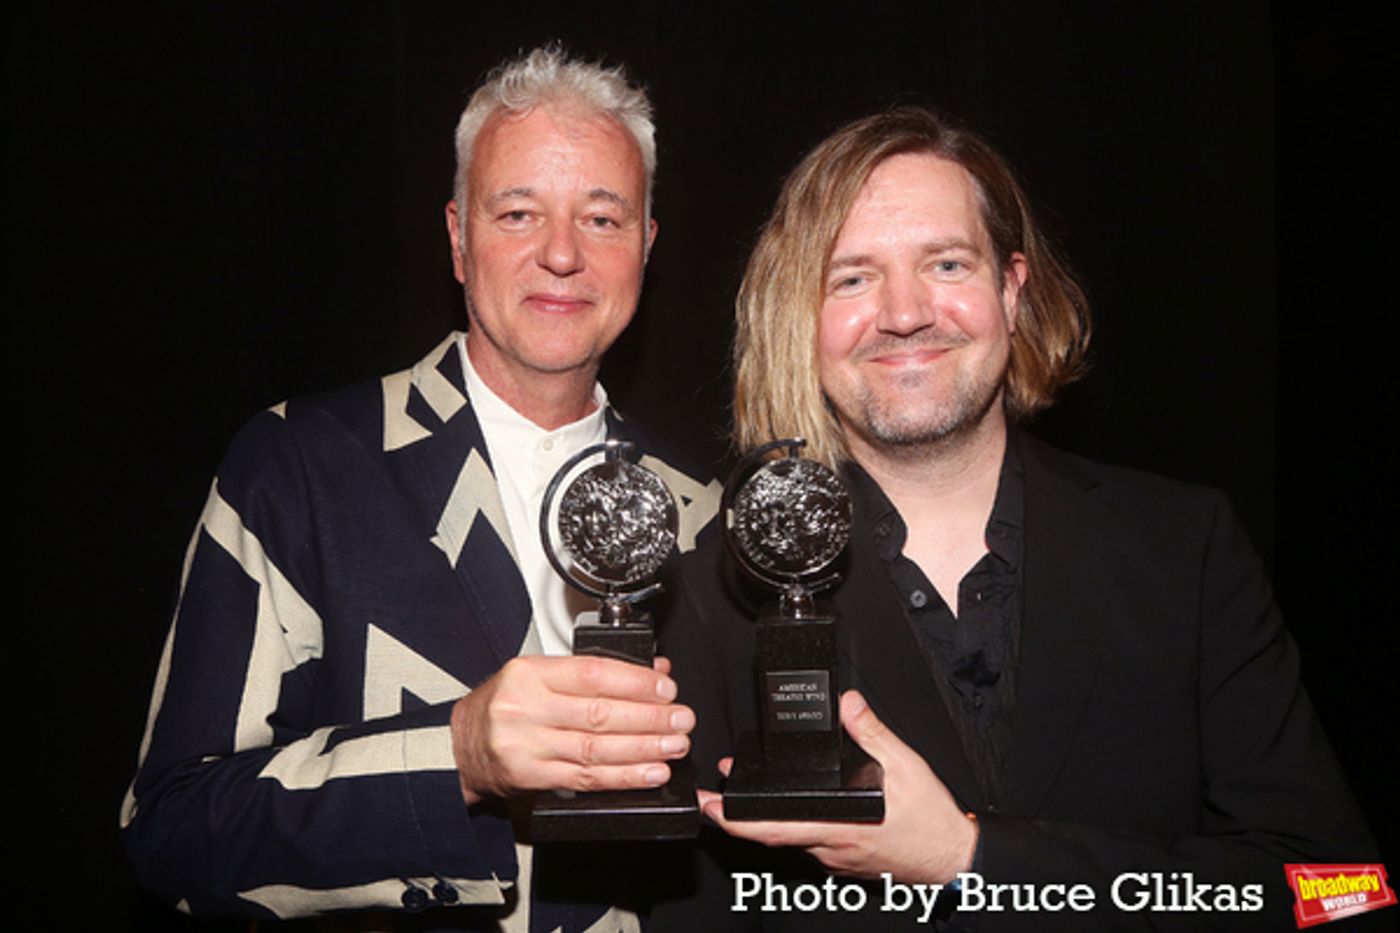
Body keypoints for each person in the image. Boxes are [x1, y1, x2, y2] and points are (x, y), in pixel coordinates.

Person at [657, 107, 1381, 930]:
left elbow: (1345, 892)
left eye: (946, 264)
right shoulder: (717, 591)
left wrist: (971, 860)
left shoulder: (1184, 548)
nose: (904, 312)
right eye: (851, 277)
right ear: (803, 319)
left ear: (1011, 287)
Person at [121, 45, 719, 930]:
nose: (562, 254)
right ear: (457, 238)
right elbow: (173, 828)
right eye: (517, 212)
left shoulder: (700, 509)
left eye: (603, 218)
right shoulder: (301, 464)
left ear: (647, 247)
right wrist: (458, 755)